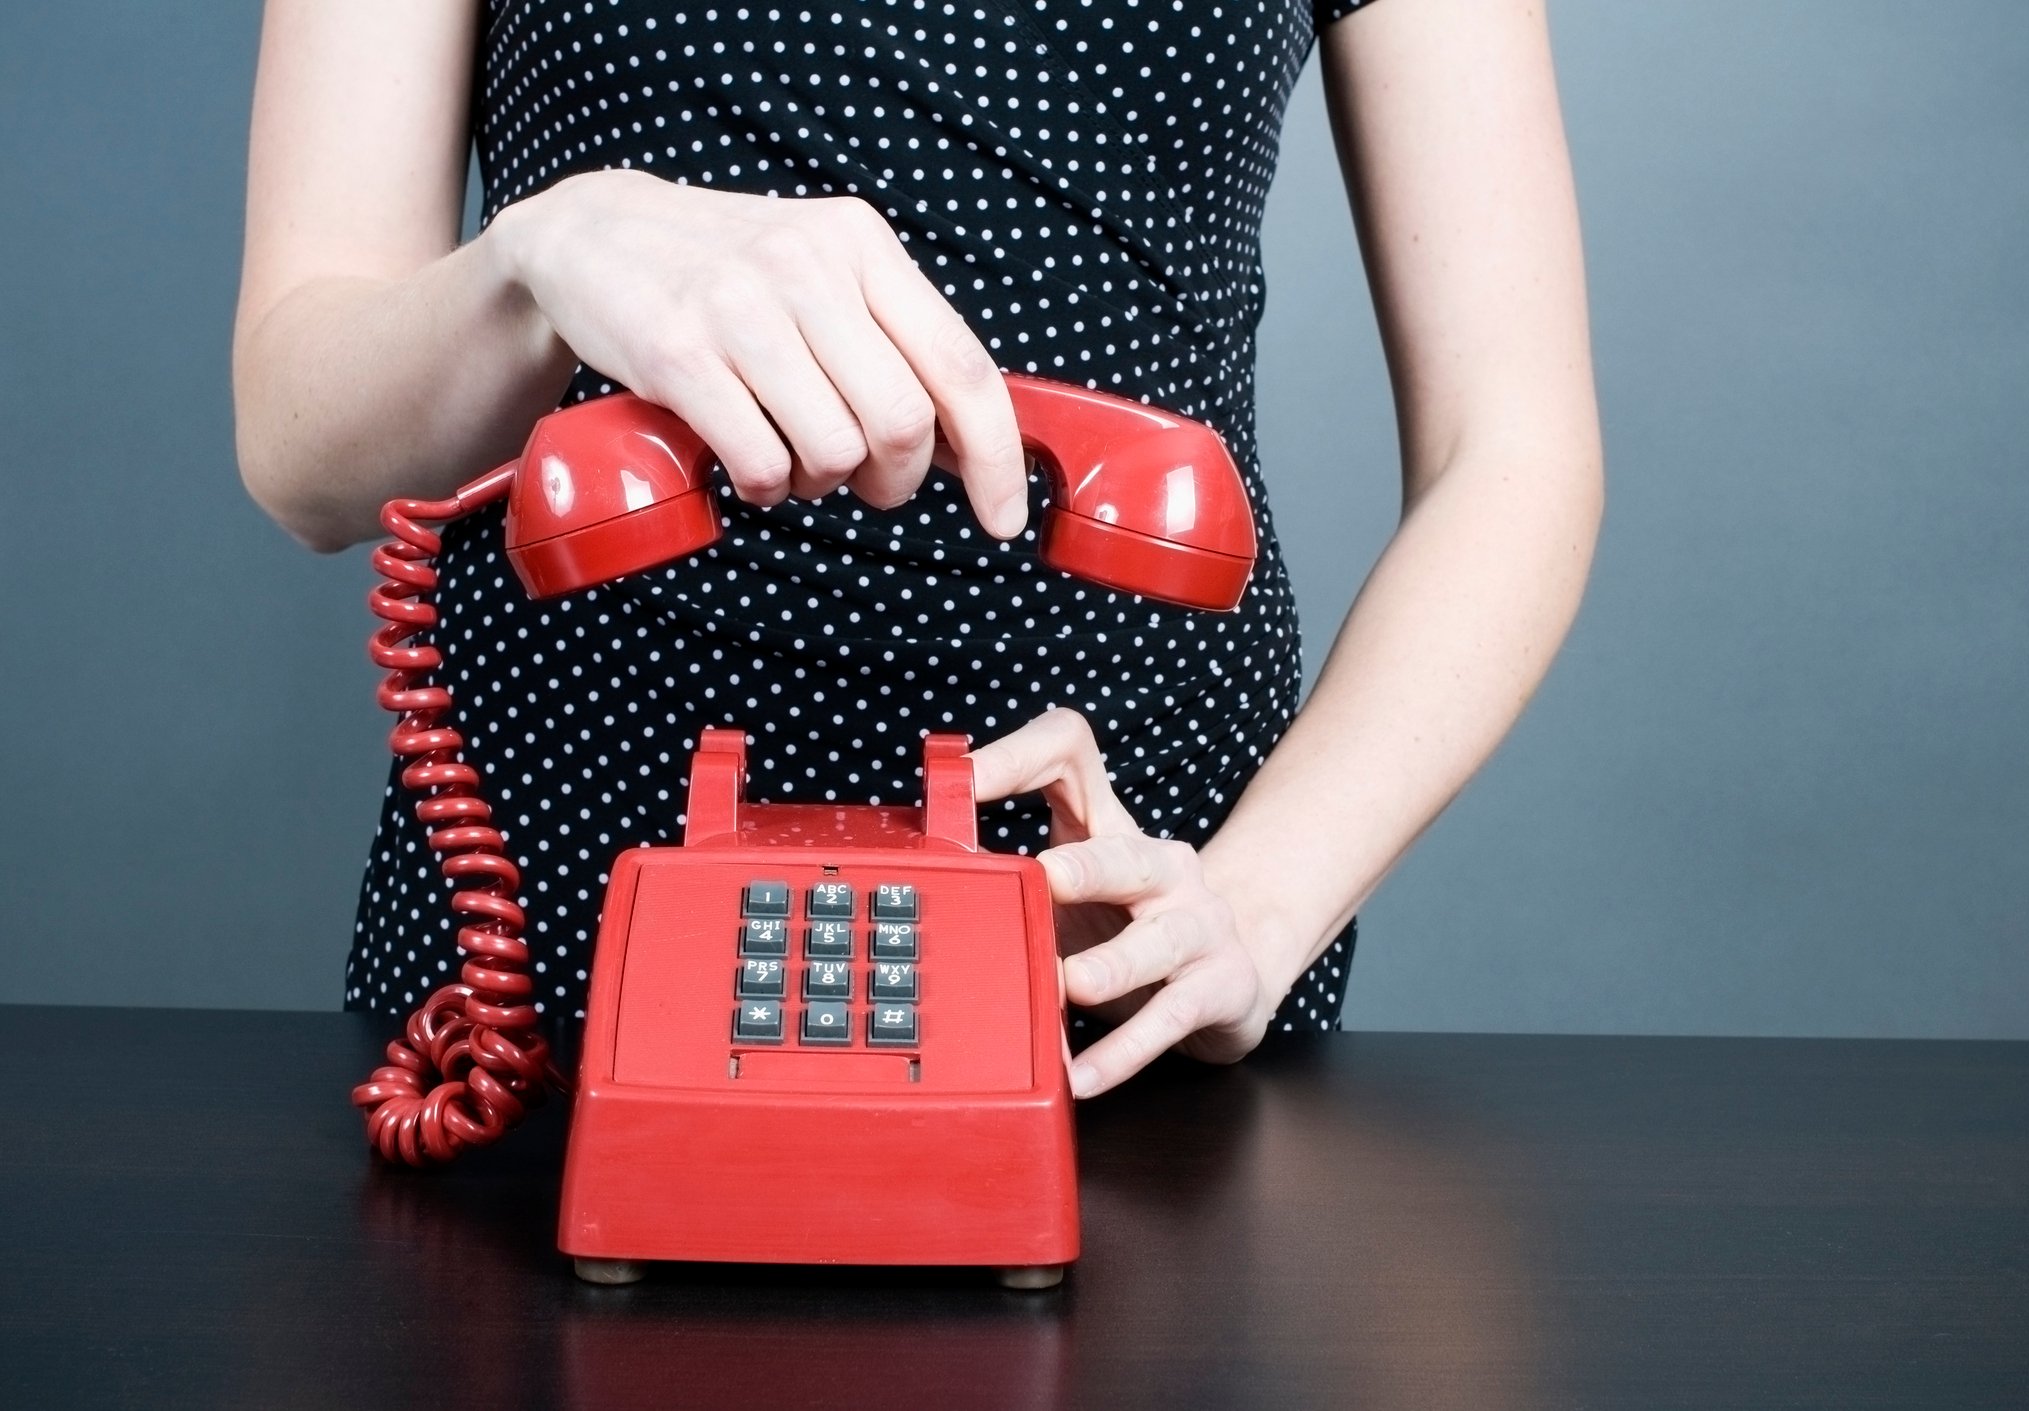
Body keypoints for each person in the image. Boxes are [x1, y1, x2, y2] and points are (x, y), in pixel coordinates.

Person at [234, 0, 1603, 1099]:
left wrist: (1256, 902)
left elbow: (1512, 449)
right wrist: (539, 252)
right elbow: (300, 450)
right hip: (546, 923)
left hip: (1125, 943)